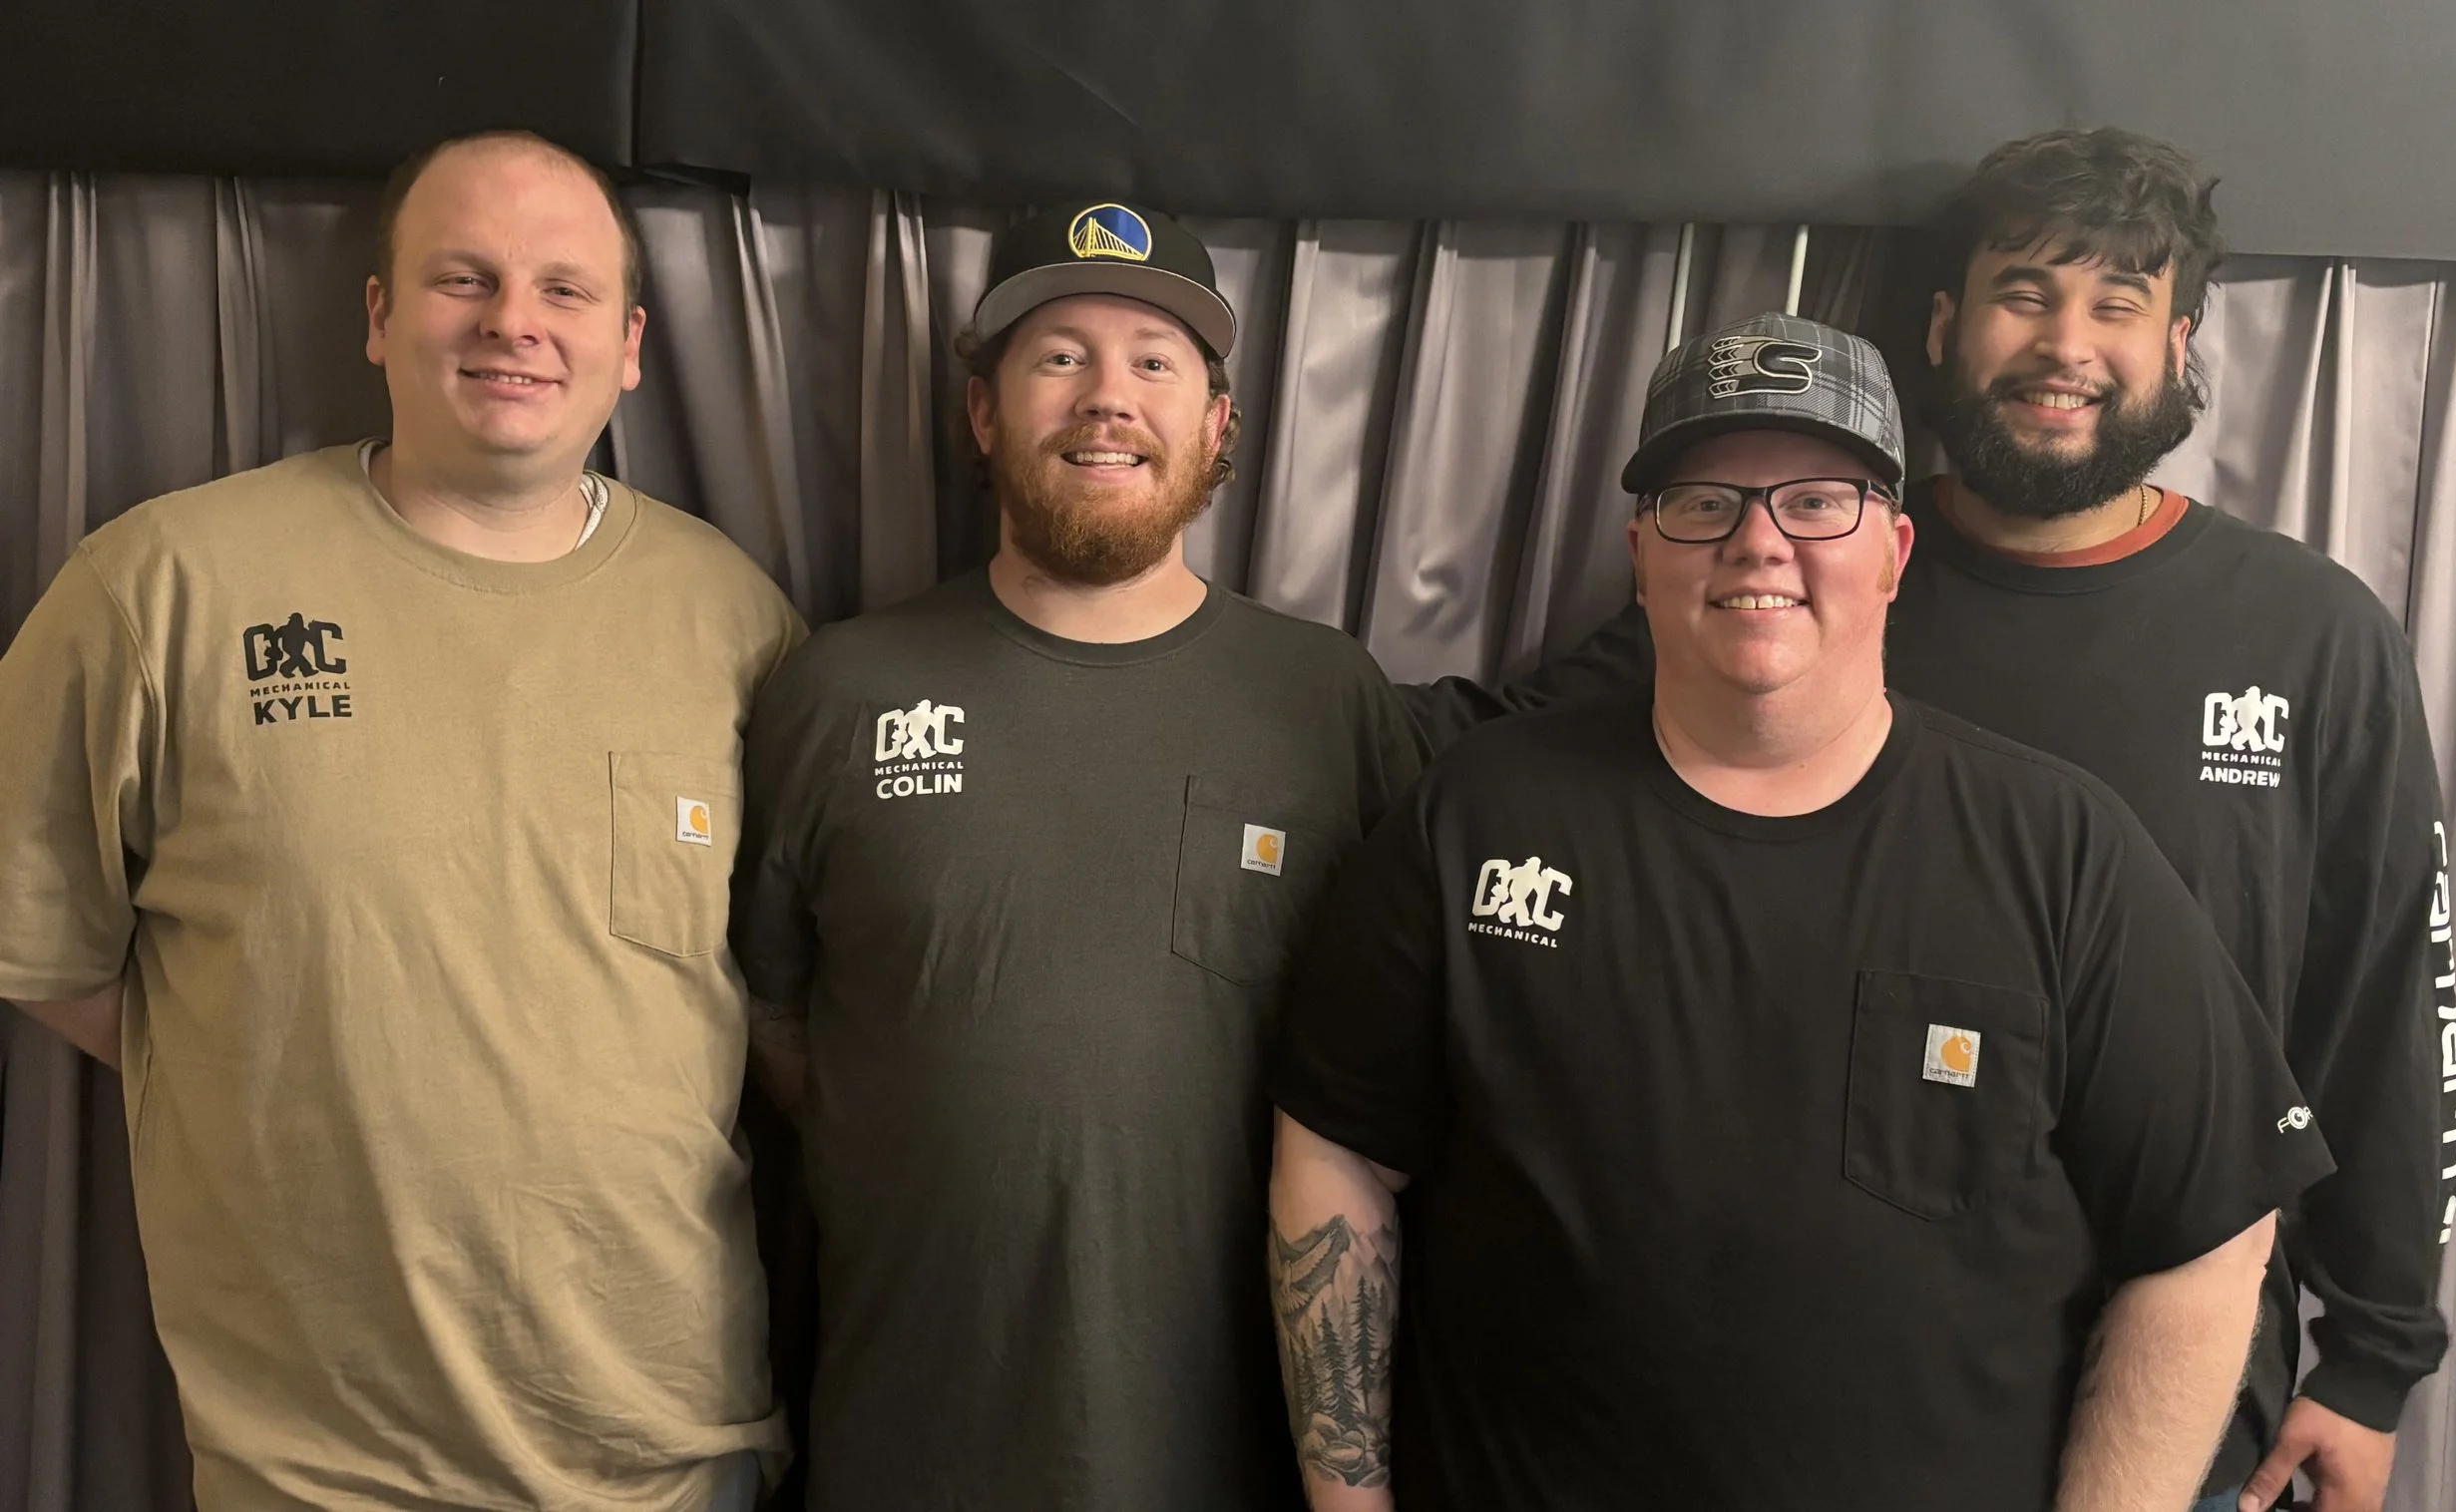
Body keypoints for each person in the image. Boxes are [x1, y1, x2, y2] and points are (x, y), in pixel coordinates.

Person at [1403, 130, 2456, 1512]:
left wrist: (2372, 1359)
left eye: (2117, 304)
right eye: (2026, 293)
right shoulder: (1803, 574)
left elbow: (2392, 994)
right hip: (1843, 1413)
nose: (2065, 343)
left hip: (2180, 1408)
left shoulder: (2313, 633)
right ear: (1948, 327)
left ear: (2184, 344)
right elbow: (1515, 754)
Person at [1275, 310, 2335, 1512]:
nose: (1756, 543)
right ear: (1641, 549)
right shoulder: (1476, 814)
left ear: (1892, 550)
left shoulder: (2060, 850)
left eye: (1815, 501)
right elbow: (1337, 1152)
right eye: (1704, 502)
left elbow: (2213, 1234)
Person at [0, 131, 799, 1511]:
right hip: (312, 1468)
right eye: (461, 280)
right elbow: (54, 951)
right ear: (376, 317)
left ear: (630, 345)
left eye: (564, 291)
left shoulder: (736, 620)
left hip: (672, 1458)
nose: (512, 324)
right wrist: (276, 1063)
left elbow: (785, 1005)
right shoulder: (159, 587)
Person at [728, 201, 1425, 1511]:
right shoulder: (834, 690)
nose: (1109, 398)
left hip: (1235, 1455)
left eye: (1155, 361)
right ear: (983, 412)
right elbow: (780, 1026)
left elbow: (1389, 1080)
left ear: (1220, 423)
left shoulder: (1329, 703)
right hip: (909, 1437)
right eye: (1059, 355)